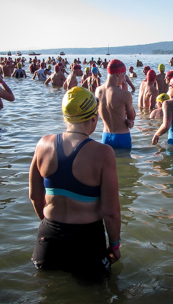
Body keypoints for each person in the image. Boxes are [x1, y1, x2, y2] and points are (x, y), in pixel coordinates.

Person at [29, 87, 121, 276]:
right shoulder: (103, 153)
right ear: (94, 118)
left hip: (48, 238)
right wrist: (114, 245)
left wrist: (51, 227)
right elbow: (111, 212)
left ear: (66, 117)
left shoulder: (43, 144)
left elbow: (35, 196)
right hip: (86, 241)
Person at [95, 59, 136, 149]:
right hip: (122, 137)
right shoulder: (125, 94)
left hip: (105, 137)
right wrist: (125, 91)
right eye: (124, 75)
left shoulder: (98, 91)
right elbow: (131, 118)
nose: (124, 78)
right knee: (125, 163)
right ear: (118, 74)